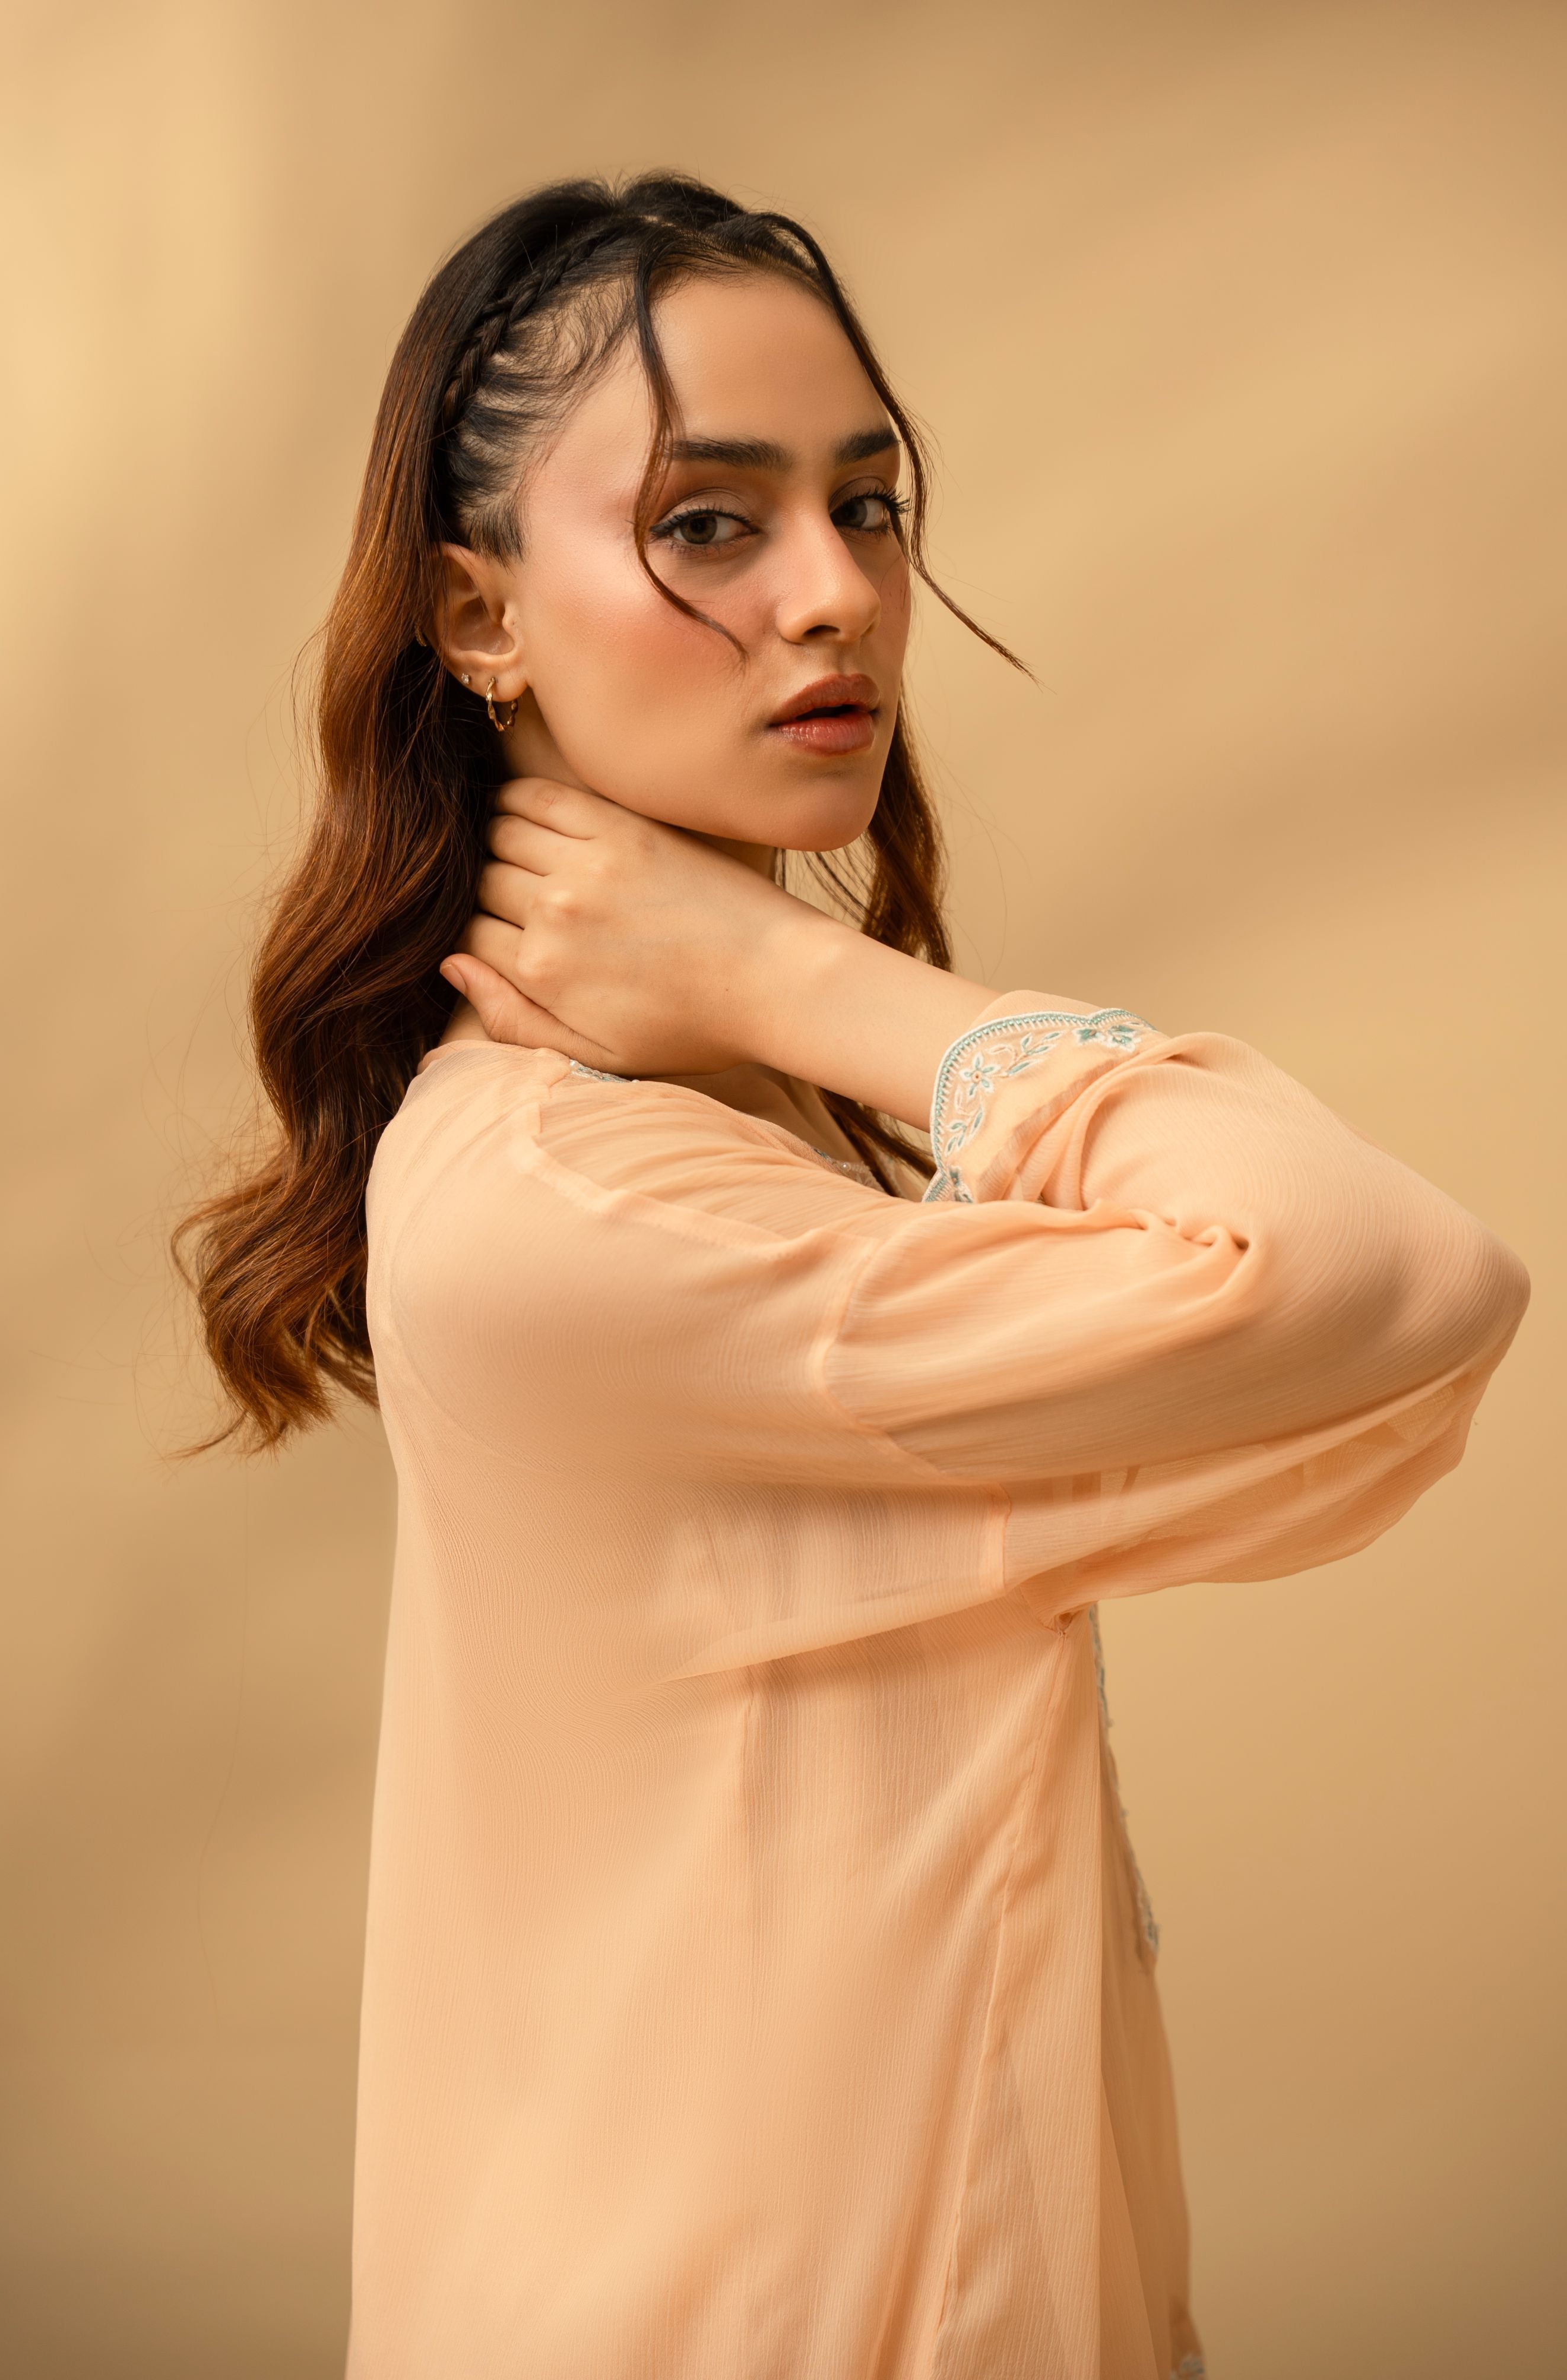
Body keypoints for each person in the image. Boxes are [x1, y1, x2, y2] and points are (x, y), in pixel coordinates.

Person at [178, 174, 1528, 2380]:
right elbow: (1396, 1279)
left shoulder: (729, 1140)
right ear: (477, 615)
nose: (837, 597)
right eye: (709, 524)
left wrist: (773, 997)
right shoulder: (581, 1205)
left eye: (871, 505)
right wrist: (812, 978)